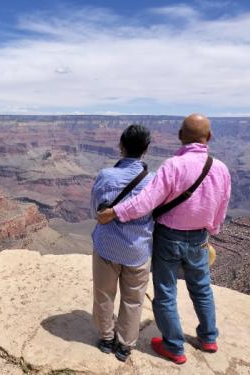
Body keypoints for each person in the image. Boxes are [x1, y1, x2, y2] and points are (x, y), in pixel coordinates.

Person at [97, 114, 231, 364]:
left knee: (166, 291)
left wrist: (115, 212)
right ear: (209, 137)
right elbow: (221, 206)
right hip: (200, 237)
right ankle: (208, 338)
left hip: (169, 237)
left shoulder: (173, 166)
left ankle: (174, 346)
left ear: (180, 136)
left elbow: (146, 202)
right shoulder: (221, 168)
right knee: (202, 288)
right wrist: (210, 231)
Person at [90, 124, 154, 362]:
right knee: (133, 299)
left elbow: (95, 212)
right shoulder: (154, 181)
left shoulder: (106, 176)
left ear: (121, 146)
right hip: (138, 250)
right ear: (146, 149)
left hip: (107, 247)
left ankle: (106, 338)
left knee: (104, 294)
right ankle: (125, 345)